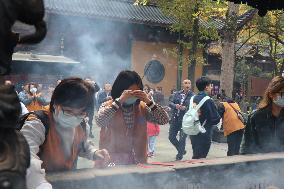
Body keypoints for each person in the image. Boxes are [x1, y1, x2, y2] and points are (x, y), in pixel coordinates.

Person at [20, 78, 110, 189]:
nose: (74, 117)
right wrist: (40, 184)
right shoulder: (38, 122)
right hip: (39, 182)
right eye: (68, 111)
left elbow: (82, 145)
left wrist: (95, 153)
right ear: (55, 104)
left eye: (81, 112)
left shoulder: (81, 123)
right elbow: (26, 156)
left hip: (68, 180)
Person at [95, 70, 169, 165]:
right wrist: (119, 101)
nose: (133, 96)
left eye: (136, 93)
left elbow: (164, 119)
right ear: (120, 90)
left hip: (138, 160)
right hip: (111, 160)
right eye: (130, 93)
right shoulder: (108, 105)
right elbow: (100, 121)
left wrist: (148, 101)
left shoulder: (142, 107)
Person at [241, 76, 284, 154]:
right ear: (271, 94)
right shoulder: (256, 117)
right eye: (282, 93)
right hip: (260, 164)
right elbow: (246, 148)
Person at [189, 76, 221, 159]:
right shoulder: (208, 100)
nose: (212, 87)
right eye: (211, 85)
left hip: (193, 131)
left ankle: (192, 170)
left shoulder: (193, 98)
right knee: (201, 158)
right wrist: (220, 112)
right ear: (206, 87)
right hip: (204, 133)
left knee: (196, 154)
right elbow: (215, 119)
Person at [168, 79, 194, 160]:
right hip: (175, 119)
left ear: (190, 85)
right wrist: (175, 106)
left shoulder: (193, 96)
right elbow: (170, 102)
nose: (187, 84)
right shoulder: (177, 94)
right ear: (183, 85)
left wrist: (185, 108)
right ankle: (182, 150)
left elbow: (194, 108)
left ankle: (179, 156)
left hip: (185, 120)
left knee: (182, 139)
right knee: (171, 137)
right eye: (186, 83)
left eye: (189, 83)